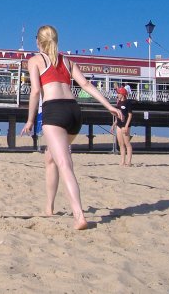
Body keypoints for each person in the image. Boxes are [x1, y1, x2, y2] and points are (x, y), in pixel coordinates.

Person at [20, 25, 122, 230]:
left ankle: (78, 215)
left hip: (55, 111)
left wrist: (30, 120)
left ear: (38, 42)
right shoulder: (67, 61)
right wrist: (109, 105)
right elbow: (86, 85)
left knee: (64, 164)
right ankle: (49, 207)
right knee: (50, 157)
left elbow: (35, 91)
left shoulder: (35, 61)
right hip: (74, 112)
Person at [114, 87, 133, 167]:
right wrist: (114, 124)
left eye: (118, 93)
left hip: (125, 125)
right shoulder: (118, 102)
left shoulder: (127, 102)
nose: (117, 94)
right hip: (119, 124)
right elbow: (118, 114)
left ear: (122, 94)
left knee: (127, 143)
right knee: (120, 144)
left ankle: (129, 162)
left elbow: (130, 115)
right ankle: (122, 161)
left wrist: (126, 126)